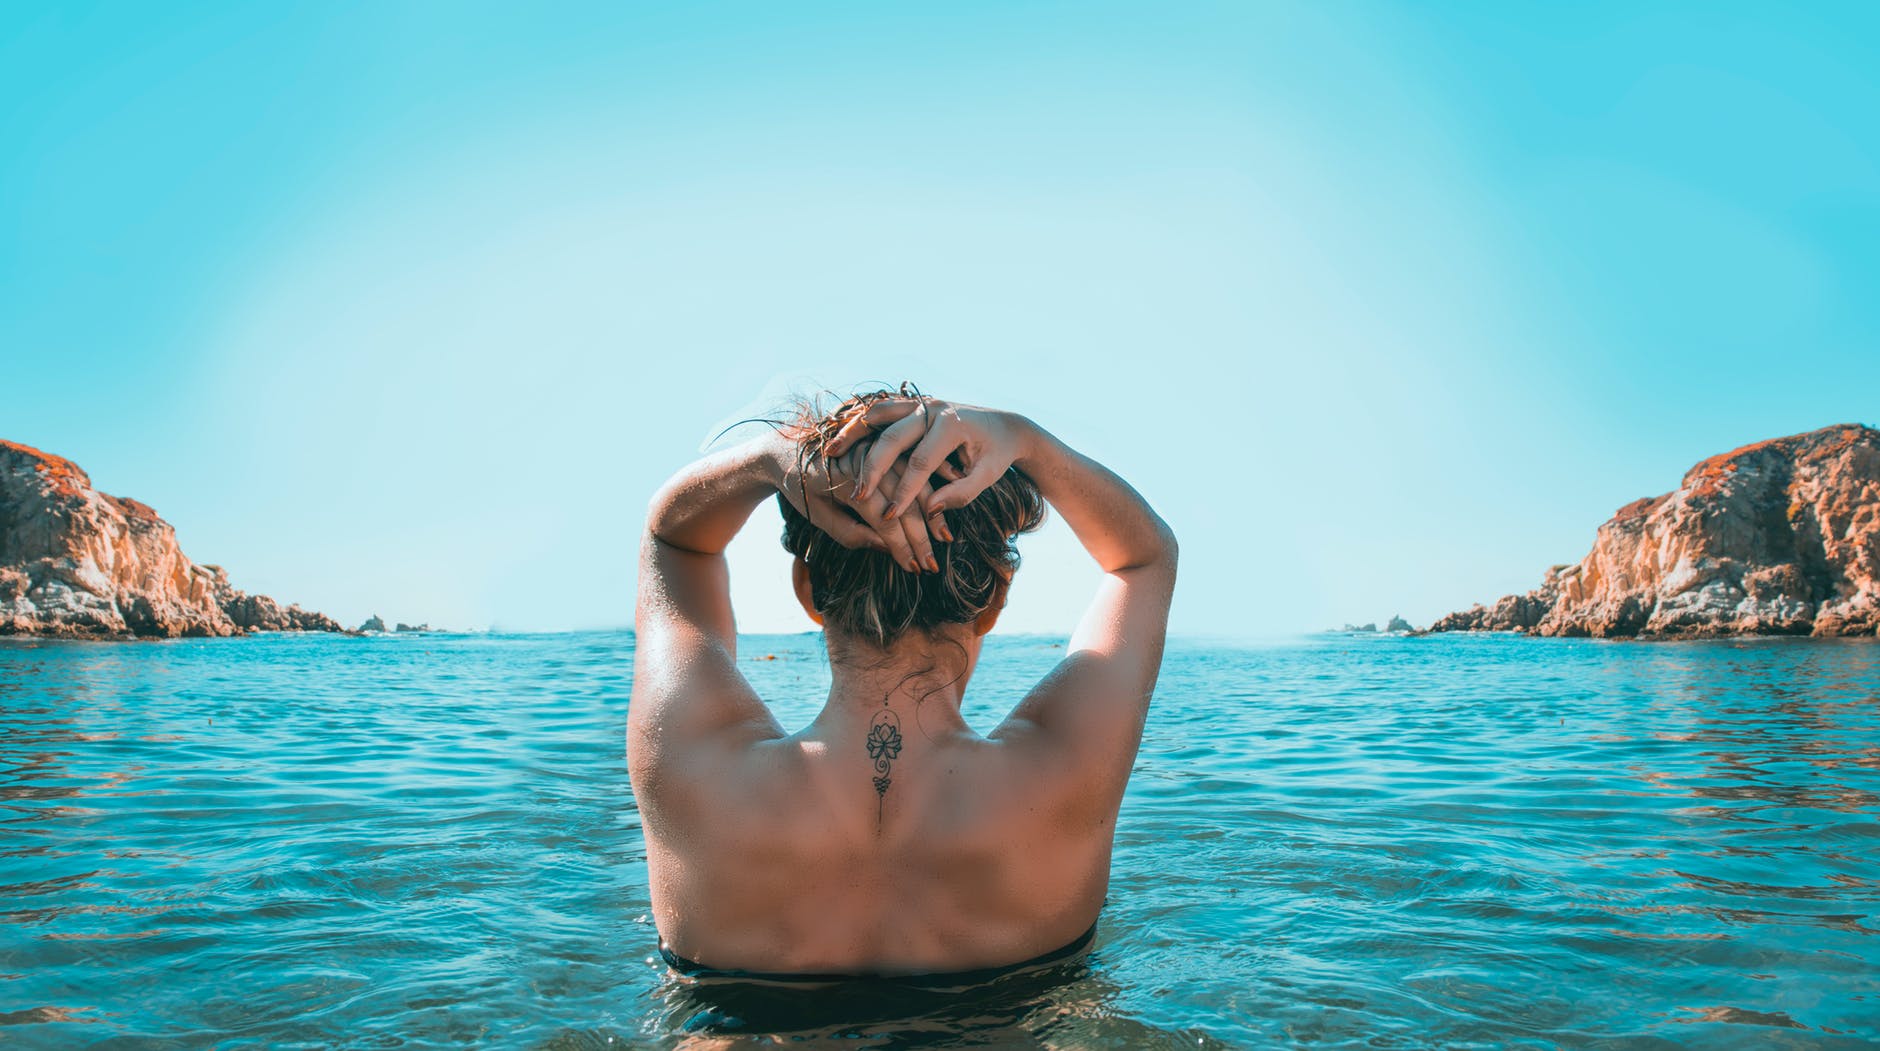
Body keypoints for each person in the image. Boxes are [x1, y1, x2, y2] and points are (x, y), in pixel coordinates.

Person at [628, 390, 1176, 979]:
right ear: (993, 599)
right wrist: (1026, 439)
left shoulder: (693, 762)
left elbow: (673, 540)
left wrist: (768, 459)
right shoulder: (1065, 769)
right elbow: (1144, 558)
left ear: (806, 589)